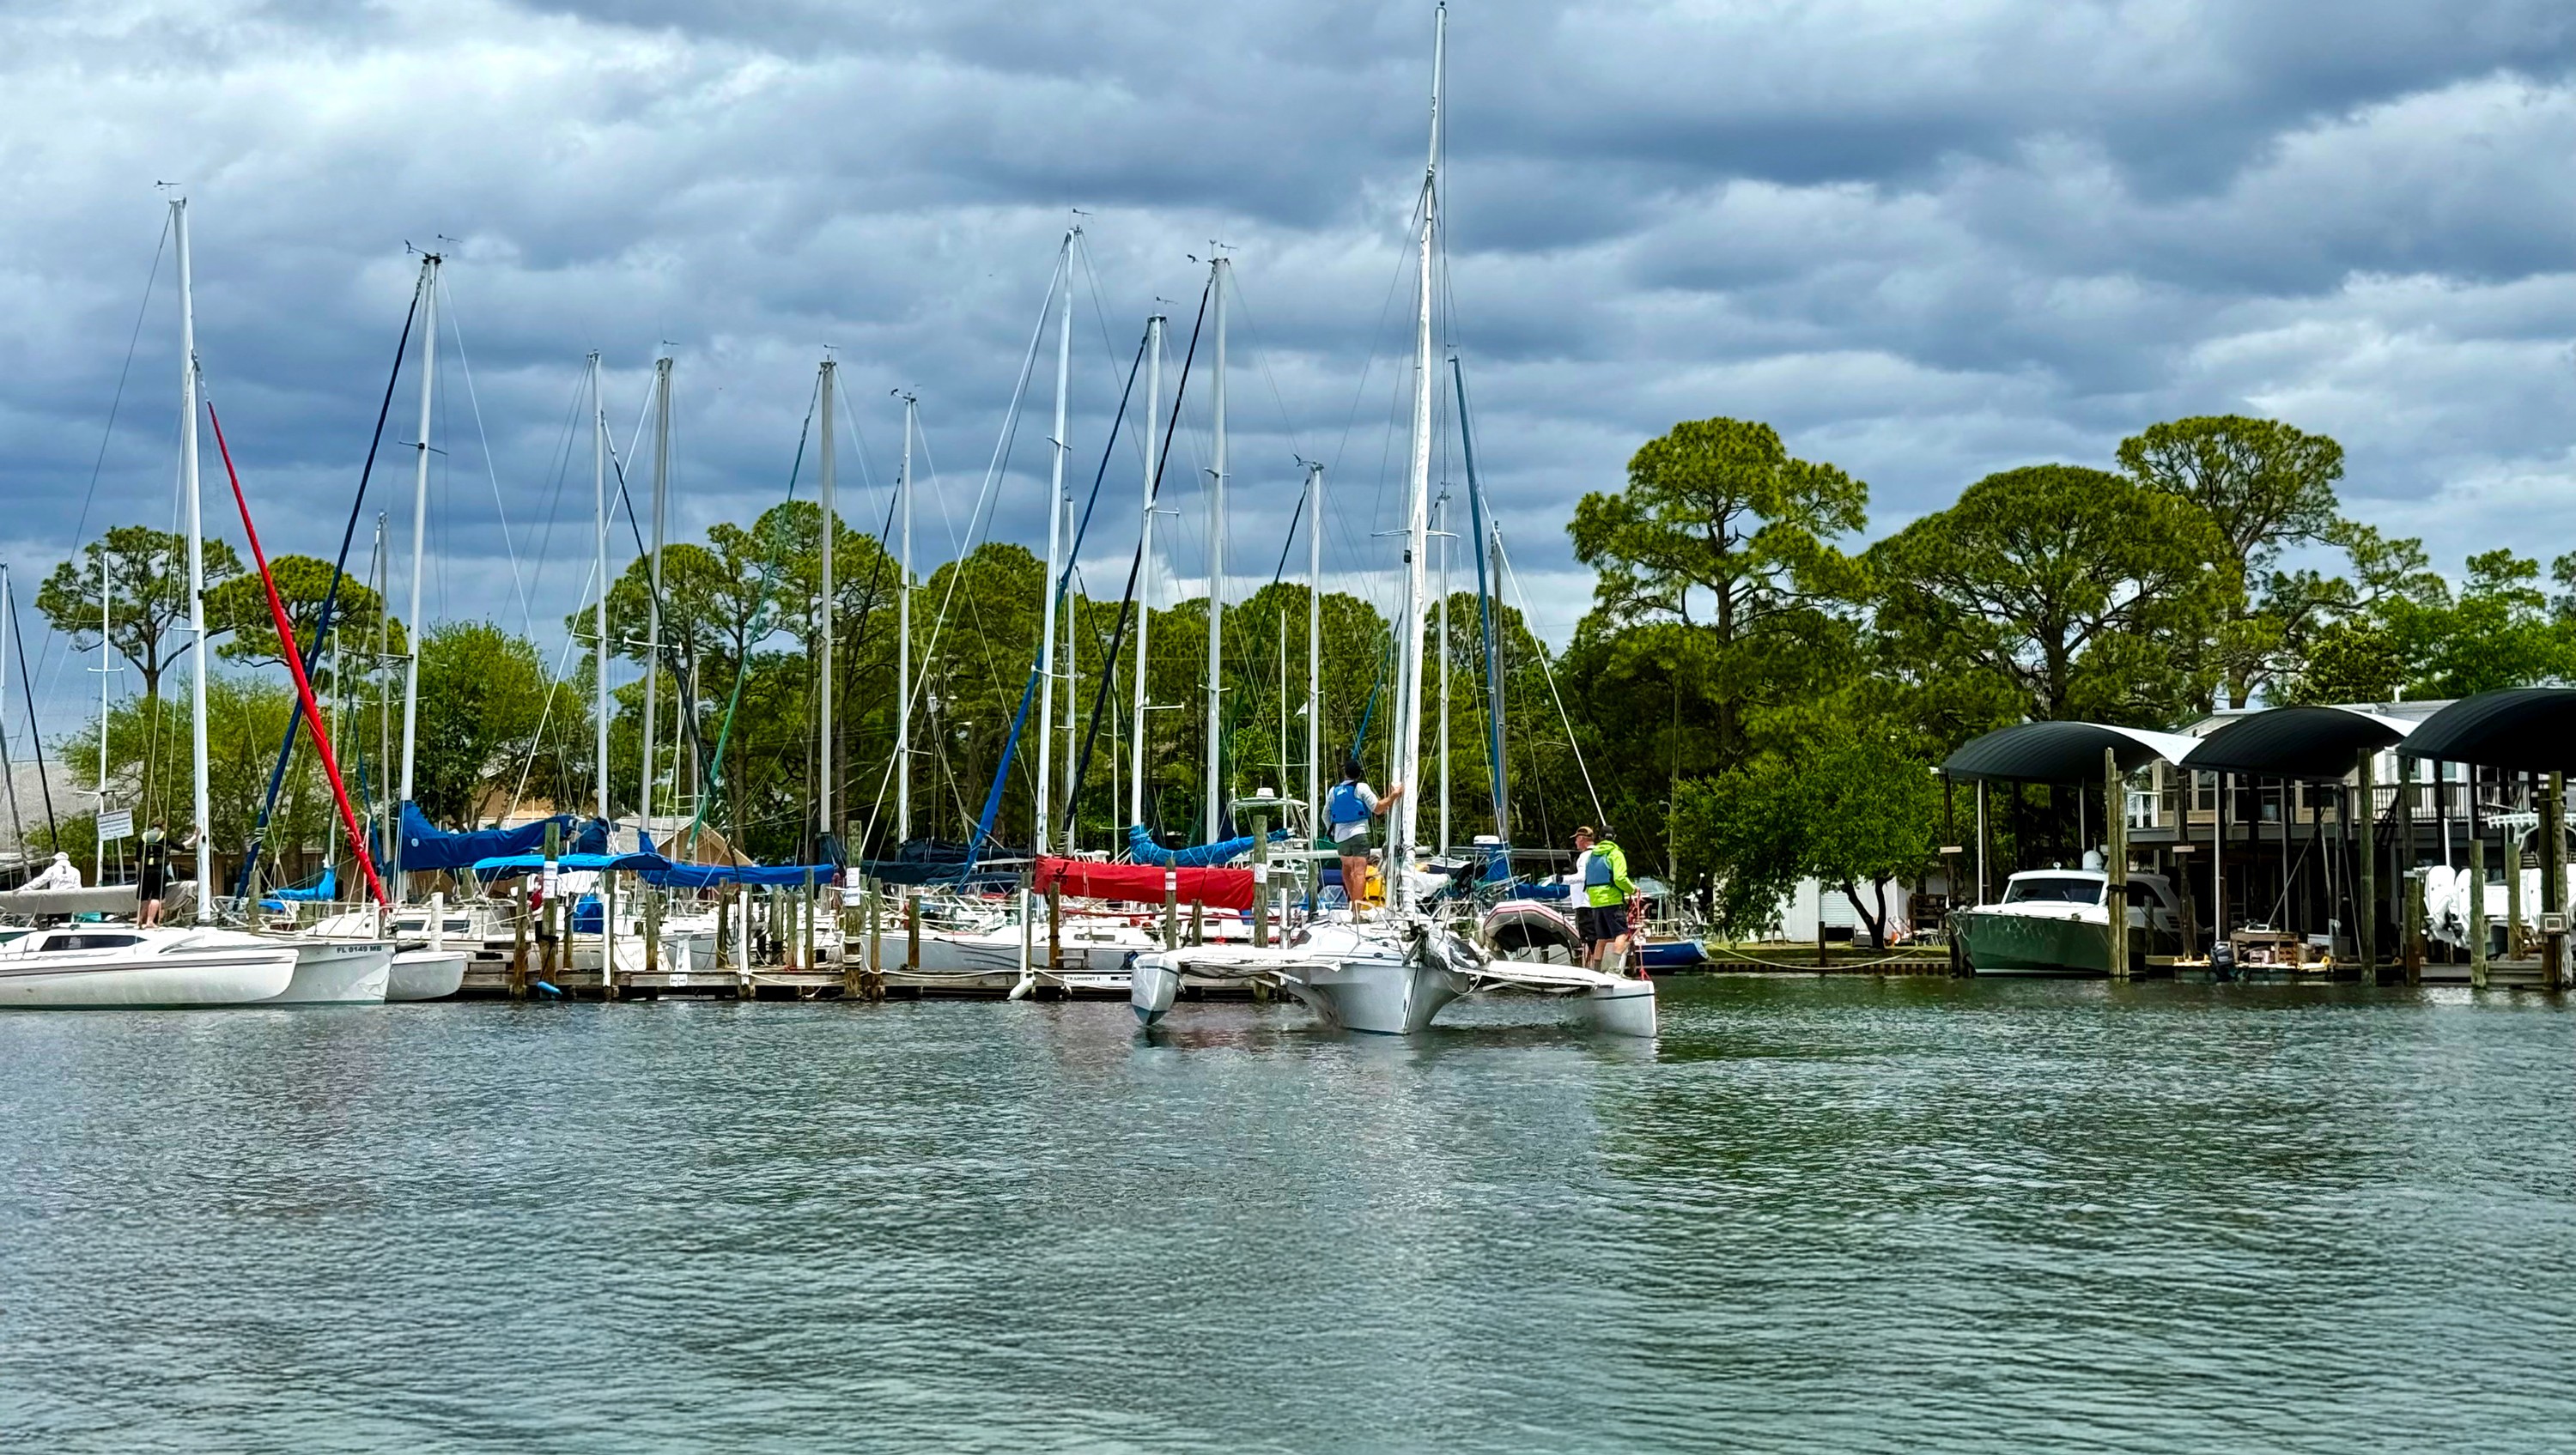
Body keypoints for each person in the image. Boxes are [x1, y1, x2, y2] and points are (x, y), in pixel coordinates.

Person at [1324, 755, 1402, 918]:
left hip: (1341, 836)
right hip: (1359, 833)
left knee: (1346, 870)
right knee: (1359, 872)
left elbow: (1326, 815)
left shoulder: (1334, 791)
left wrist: (1331, 831)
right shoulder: (1361, 788)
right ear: (1359, 774)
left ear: (1345, 773)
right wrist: (1394, 796)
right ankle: (1356, 913)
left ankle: (1352, 902)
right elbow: (1378, 808)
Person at [1577, 826, 1637, 971]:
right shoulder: (1615, 853)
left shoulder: (1591, 855)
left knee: (1602, 938)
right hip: (1612, 900)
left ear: (1600, 838)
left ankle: (1597, 970)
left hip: (1595, 902)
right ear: (1614, 838)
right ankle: (1615, 970)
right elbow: (1620, 878)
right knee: (1622, 934)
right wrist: (1632, 889)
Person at [137, 821, 173, 926]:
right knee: (156, 896)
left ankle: (140, 919)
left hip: (145, 870)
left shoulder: (144, 836)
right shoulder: (163, 836)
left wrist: (138, 872)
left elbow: (137, 857)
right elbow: (180, 846)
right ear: (163, 826)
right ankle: (150, 921)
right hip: (158, 870)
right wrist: (194, 837)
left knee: (144, 897)